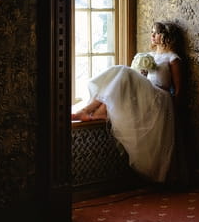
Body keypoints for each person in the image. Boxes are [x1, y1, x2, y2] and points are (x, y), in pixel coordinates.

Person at [71, 21, 185, 184]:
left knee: (123, 71)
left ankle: (92, 110)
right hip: (148, 93)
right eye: (152, 32)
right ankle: (94, 109)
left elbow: (178, 89)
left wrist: (173, 113)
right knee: (122, 74)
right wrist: (142, 76)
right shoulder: (149, 56)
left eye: (157, 32)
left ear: (166, 36)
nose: (152, 36)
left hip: (161, 98)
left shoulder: (173, 58)